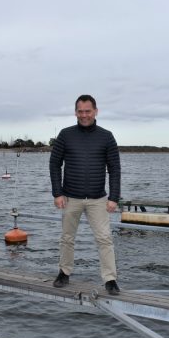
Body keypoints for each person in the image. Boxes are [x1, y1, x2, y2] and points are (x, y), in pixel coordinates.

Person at [49, 94, 122, 295]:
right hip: (70, 198)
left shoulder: (106, 136)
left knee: (105, 239)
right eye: (80, 111)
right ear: (75, 112)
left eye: (88, 111)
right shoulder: (65, 135)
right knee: (67, 238)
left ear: (96, 111)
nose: (84, 115)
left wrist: (114, 197)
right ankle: (64, 272)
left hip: (98, 199)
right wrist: (57, 193)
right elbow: (55, 164)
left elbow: (114, 168)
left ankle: (110, 279)